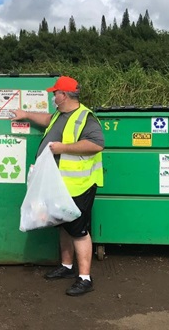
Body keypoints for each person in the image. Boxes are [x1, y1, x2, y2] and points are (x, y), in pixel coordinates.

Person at [11, 76, 104, 296]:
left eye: (55, 93)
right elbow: (46, 119)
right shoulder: (61, 116)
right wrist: (25, 114)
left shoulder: (85, 117)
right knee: (63, 224)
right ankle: (66, 266)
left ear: (64, 95)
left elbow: (96, 144)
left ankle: (85, 278)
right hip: (60, 183)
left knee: (79, 230)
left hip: (79, 184)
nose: (53, 96)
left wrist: (64, 148)